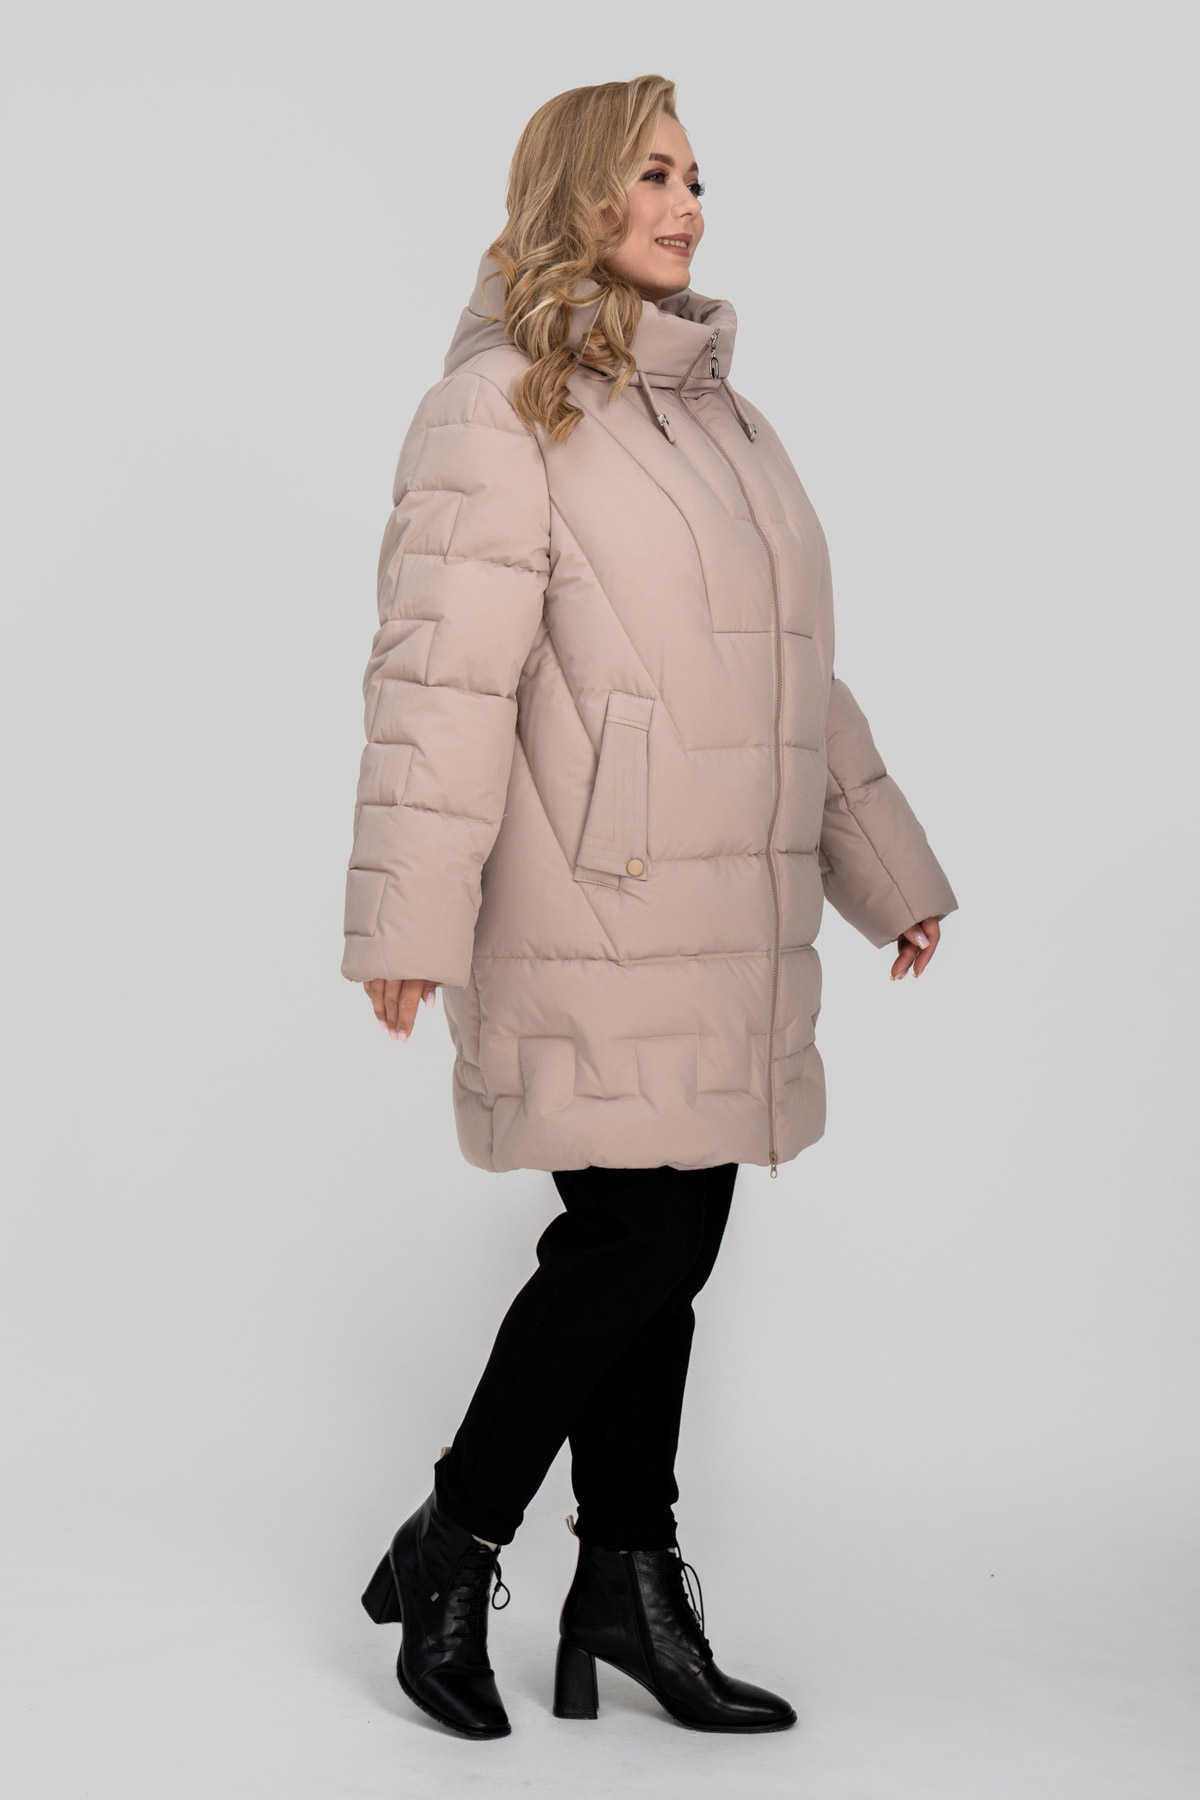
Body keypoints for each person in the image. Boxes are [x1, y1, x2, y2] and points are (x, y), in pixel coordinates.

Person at [342, 74, 959, 1741]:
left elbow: (793, 685)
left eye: (698, 176)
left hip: (725, 908)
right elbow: (440, 683)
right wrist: (406, 924)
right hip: (590, 898)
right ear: (577, 197)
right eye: (654, 176)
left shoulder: (731, 427)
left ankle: (624, 1577)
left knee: (665, 1251)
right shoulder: (499, 408)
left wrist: (884, 868)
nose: (688, 205)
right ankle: (455, 1543)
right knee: (641, 1242)